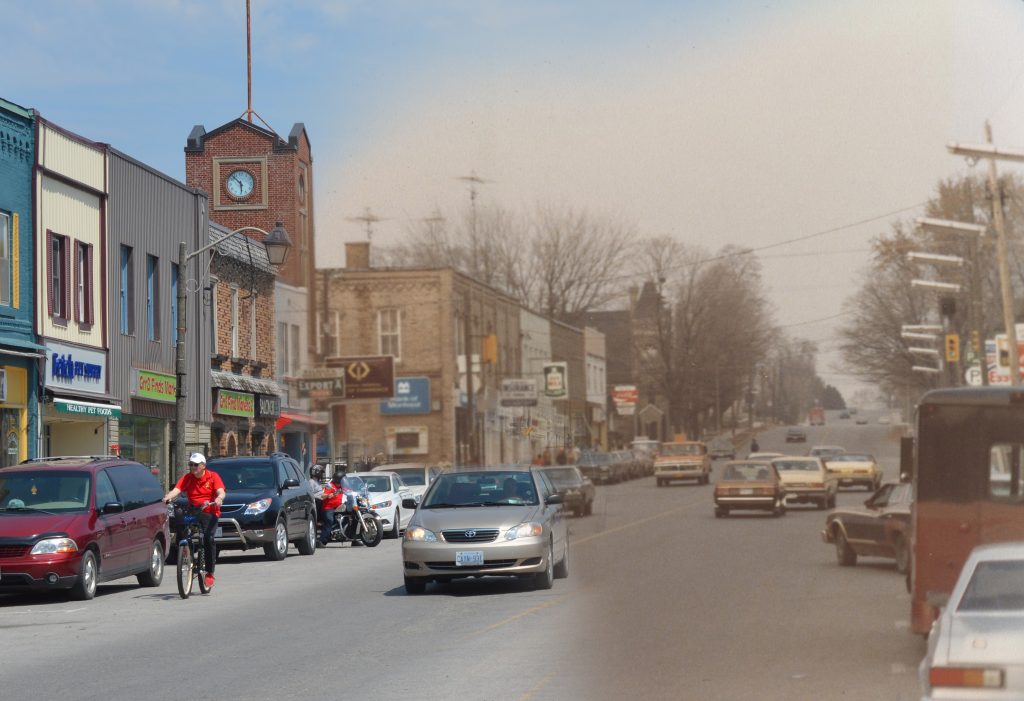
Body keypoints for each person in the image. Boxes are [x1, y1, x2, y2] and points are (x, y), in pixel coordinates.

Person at [163, 453, 225, 589]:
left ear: (203, 466)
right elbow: (177, 490)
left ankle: (209, 572)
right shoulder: (188, 478)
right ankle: (186, 551)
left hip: (210, 511)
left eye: (196, 465)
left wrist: (219, 498)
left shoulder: (212, 476)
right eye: (190, 464)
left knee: (208, 539)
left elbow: (221, 491)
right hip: (194, 509)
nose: (193, 467)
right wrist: (167, 497)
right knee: (180, 523)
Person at [318, 471, 345, 546]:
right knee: (329, 521)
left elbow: (350, 491)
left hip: (339, 507)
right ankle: (321, 541)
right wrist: (328, 495)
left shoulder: (343, 486)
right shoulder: (330, 485)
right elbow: (323, 496)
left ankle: (354, 537)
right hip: (328, 508)